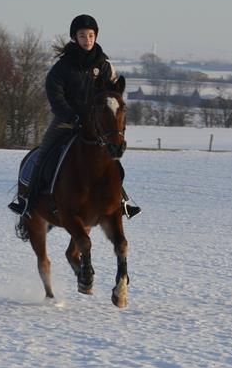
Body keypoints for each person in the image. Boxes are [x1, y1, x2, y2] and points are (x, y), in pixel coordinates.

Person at [8, 14, 141, 219]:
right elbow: (55, 95)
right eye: (82, 35)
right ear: (74, 38)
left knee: (113, 159)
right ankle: (27, 199)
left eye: (90, 35)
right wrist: (70, 116)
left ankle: (122, 200)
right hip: (66, 121)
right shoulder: (63, 67)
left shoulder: (104, 65)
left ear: (95, 36)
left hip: (95, 126)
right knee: (44, 153)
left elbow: (112, 95)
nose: (87, 39)